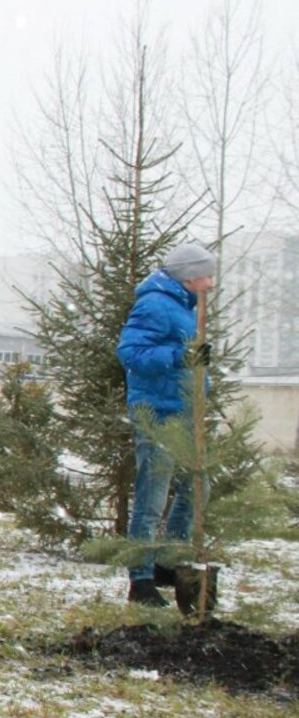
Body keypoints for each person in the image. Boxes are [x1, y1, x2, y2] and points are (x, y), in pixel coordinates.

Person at [116, 242, 218, 610]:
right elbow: (130, 354)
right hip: (157, 414)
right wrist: (180, 356)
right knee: (152, 497)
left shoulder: (185, 306)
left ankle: (168, 561)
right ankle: (140, 580)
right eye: (207, 275)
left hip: (185, 411)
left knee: (196, 486)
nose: (211, 282)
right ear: (189, 275)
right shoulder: (154, 304)